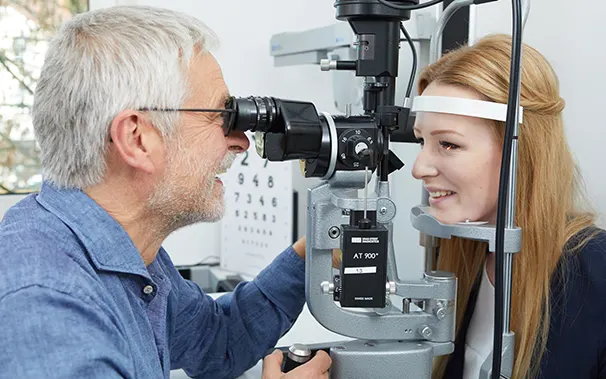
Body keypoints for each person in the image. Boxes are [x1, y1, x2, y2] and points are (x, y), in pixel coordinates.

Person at [0, 6, 331, 379]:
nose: (240, 142)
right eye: (221, 117)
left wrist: (313, 253)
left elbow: (218, 340)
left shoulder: (127, 253)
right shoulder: (51, 315)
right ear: (137, 139)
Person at [411, 34, 606, 378]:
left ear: (520, 152)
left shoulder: (597, 272)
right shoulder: (461, 256)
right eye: (422, 141)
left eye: (448, 144)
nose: (419, 168)